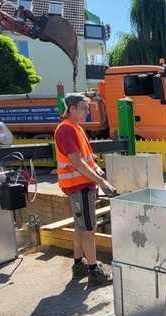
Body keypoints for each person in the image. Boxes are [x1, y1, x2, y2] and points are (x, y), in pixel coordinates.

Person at [54, 94, 116, 287]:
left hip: (81, 186)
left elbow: (87, 158)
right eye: (83, 107)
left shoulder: (76, 128)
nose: (87, 111)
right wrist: (101, 182)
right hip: (80, 187)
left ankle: (78, 264)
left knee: (80, 227)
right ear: (71, 108)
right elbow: (76, 162)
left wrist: (98, 172)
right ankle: (93, 270)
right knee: (89, 229)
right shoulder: (66, 129)